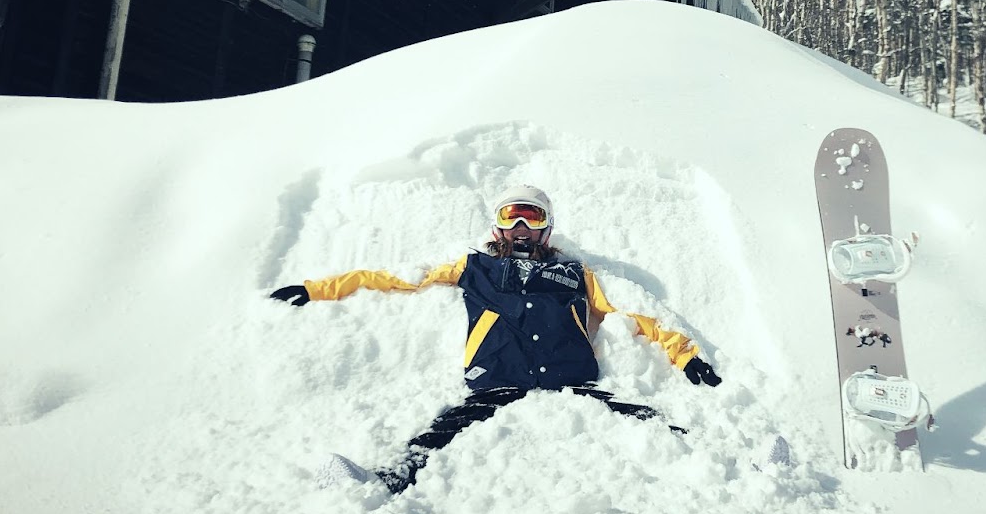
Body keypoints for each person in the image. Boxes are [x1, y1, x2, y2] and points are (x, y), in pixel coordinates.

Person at [269, 185, 721, 493]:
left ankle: (717, 463)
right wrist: (315, 289)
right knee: (445, 431)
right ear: (497, 226)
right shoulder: (473, 267)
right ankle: (388, 478)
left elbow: (635, 316)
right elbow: (394, 279)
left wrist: (686, 355)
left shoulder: (575, 274)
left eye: (532, 216)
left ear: (546, 227)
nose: (521, 226)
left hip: (572, 381)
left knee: (642, 417)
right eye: (512, 216)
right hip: (497, 378)